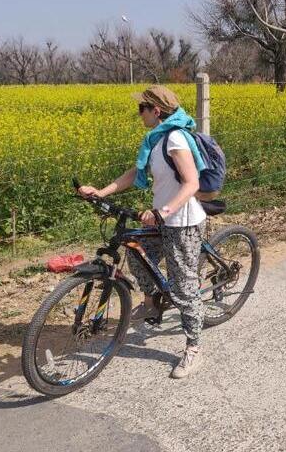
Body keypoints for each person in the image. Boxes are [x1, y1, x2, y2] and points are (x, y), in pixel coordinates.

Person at [77, 85, 208, 379]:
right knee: (136, 254)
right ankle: (151, 305)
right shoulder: (155, 140)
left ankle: (194, 348)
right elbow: (133, 175)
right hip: (164, 221)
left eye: (142, 109)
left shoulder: (174, 139)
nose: (139, 114)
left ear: (156, 111)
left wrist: (163, 212)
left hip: (182, 222)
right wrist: (101, 192)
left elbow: (192, 183)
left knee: (183, 286)